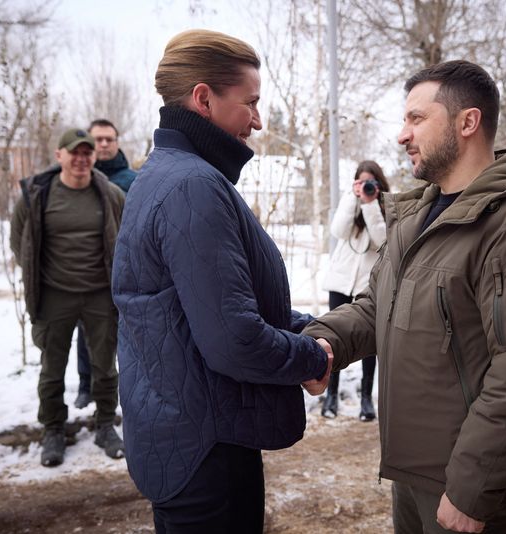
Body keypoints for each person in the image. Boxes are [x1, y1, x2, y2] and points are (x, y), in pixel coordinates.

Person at [304, 60, 506, 533]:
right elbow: (377, 305)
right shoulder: (417, 216)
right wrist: (327, 341)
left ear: (467, 122)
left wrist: (474, 485)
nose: (401, 135)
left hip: (464, 482)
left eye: (416, 118)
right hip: (413, 470)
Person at [110, 29, 331, 534]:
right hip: (206, 452)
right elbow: (234, 339)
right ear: (204, 99)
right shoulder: (192, 187)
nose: (257, 120)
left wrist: (310, 327)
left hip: (188, 433)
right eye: (250, 103)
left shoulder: (165, 174)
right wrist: (313, 357)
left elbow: (201, 308)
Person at [9, 128, 126, 467]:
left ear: (93, 157)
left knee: (105, 365)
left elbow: (126, 236)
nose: (81, 158)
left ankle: (105, 425)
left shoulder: (110, 194)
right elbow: (21, 243)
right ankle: (53, 431)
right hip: (54, 297)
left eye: (87, 152)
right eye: (74, 152)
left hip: (99, 295)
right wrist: (41, 276)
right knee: (52, 369)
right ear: (59, 155)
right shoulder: (37, 196)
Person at [73, 119, 137, 410]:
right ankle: (86, 386)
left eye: (109, 139)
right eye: (97, 139)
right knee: (87, 331)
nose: (103, 144)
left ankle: (123, 385)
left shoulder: (133, 180)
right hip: (88, 270)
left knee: (125, 332)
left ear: (117, 141)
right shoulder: (77, 177)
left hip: (125, 269)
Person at [320, 160, 389, 421]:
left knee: (368, 344)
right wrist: (353, 197)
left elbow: (382, 241)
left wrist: (371, 204)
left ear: (379, 184)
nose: (366, 186)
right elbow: (338, 230)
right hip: (340, 283)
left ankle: (365, 401)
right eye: (361, 182)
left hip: (367, 287)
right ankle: (331, 396)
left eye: (371, 182)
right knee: (334, 339)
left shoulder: (385, 208)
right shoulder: (350, 203)